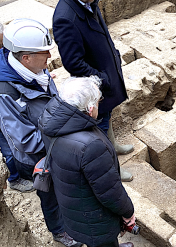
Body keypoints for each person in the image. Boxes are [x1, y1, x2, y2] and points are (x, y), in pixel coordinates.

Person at [0, 18, 82, 247]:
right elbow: (26, 141)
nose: (50, 56)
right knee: (50, 196)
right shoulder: (5, 93)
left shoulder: (33, 69)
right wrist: (66, 127)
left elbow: (51, 97)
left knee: (66, 189)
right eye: (45, 52)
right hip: (37, 159)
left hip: (55, 142)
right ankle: (60, 232)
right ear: (25, 57)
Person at [38, 76, 135, 247]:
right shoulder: (90, 146)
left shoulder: (51, 120)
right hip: (93, 217)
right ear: (90, 109)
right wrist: (128, 213)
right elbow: (109, 191)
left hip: (72, 205)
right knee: (103, 243)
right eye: (98, 101)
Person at [52, 0, 134, 181]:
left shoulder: (87, 0)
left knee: (107, 114)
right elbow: (73, 63)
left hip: (105, 74)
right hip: (96, 83)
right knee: (100, 128)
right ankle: (112, 166)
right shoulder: (65, 18)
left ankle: (114, 146)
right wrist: (102, 78)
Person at [0, 16, 34, 192]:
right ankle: (14, 179)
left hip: (10, 110)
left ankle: (28, 171)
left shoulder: (1, 54)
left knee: (22, 144)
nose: (0, 52)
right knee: (8, 152)